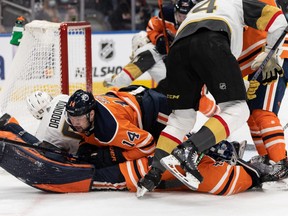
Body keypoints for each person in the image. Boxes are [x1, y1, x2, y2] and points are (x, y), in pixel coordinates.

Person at [136, 0, 288, 197]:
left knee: (180, 119)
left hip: (178, 51)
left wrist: (238, 85)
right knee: (239, 109)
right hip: (212, 42)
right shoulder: (234, 1)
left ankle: (153, 174)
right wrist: (270, 53)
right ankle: (190, 149)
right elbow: (278, 19)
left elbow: (209, 75)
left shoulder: (198, 8)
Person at [0, 113, 285, 194]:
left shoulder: (221, 170)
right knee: (66, 170)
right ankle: (8, 137)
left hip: (131, 171)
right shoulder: (229, 174)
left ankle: (9, 131)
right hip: (133, 170)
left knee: (66, 167)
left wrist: (109, 156)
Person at [65, 86, 172, 168]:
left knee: (181, 135)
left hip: (157, 111)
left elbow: (148, 144)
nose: (74, 123)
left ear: (91, 114)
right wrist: (85, 145)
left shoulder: (110, 128)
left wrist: (117, 156)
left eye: (79, 119)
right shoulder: (89, 112)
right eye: (72, 117)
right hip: (134, 95)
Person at [238, 0, 288, 171]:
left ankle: (279, 162)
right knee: (252, 114)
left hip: (274, 53)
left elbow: (276, 20)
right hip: (258, 59)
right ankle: (267, 158)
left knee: (263, 112)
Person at [103, 0, 194, 88]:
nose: (182, 19)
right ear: (175, 12)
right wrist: (158, 39)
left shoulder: (194, 23)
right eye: (179, 16)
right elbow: (152, 27)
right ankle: (115, 81)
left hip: (173, 55)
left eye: (184, 17)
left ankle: (114, 81)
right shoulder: (166, 15)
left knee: (171, 85)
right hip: (159, 50)